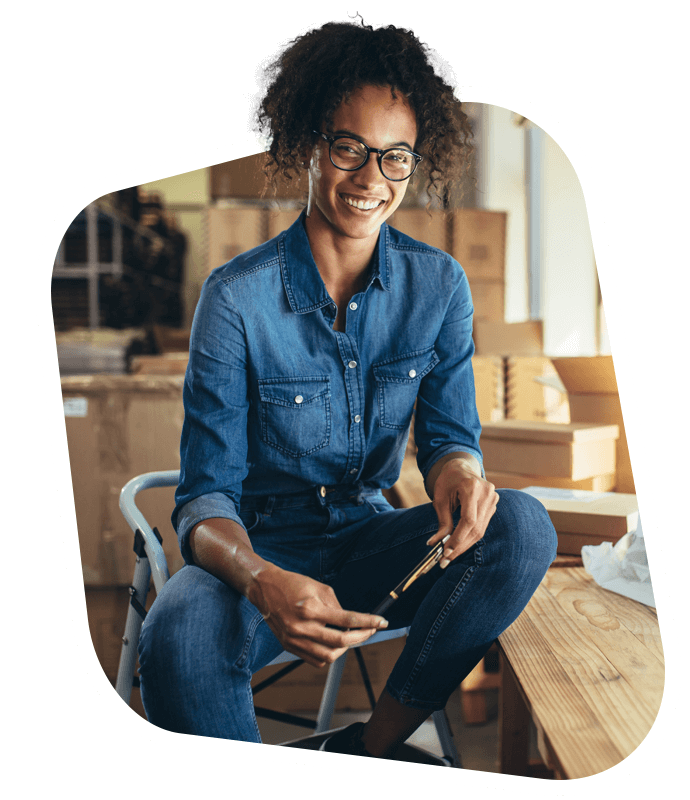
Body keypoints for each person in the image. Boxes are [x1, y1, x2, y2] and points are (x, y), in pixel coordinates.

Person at [138, 21, 558, 759]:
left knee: (522, 527)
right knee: (176, 624)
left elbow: (450, 439)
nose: (371, 180)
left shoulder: (439, 285)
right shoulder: (236, 298)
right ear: (307, 143)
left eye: (395, 157)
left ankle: (369, 750)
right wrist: (263, 580)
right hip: (257, 549)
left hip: (369, 538)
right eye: (348, 149)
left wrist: (460, 477)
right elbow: (204, 502)